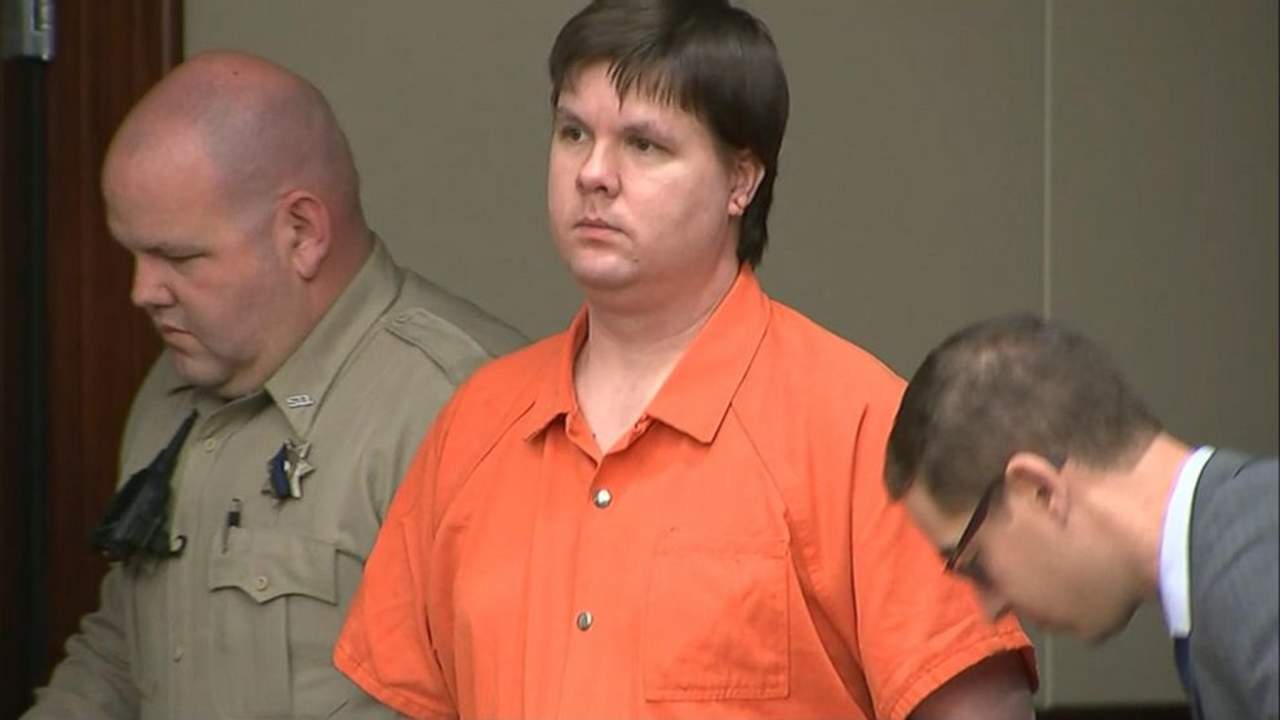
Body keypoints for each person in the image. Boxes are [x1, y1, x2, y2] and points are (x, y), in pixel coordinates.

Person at [335, 2, 1037, 718]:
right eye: (574, 133)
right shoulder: (474, 424)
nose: (593, 173)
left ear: (741, 182)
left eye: (644, 145)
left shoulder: (863, 428)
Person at [23, 51, 524, 719]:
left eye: (178, 257)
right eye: (133, 254)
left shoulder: (471, 410)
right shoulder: (172, 386)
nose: (142, 292)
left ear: (302, 232)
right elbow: (124, 647)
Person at [884, 313, 1279, 719]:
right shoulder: (1234, 558)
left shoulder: (1255, 569)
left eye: (976, 564)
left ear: (1038, 490)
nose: (990, 607)